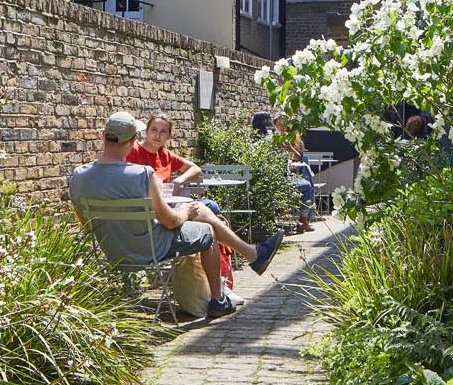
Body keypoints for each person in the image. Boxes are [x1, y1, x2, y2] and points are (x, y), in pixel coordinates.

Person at [72, 111, 284, 320]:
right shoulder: (142, 175)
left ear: (103, 135)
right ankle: (219, 299)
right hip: (152, 248)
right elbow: (171, 222)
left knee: (204, 211)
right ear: (133, 140)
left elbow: (87, 226)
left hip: (113, 251)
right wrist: (186, 212)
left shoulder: (79, 176)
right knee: (208, 229)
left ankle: (253, 255)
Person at [128, 111, 236, 294]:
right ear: (146, 131)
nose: (157, 135)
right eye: (153, 130)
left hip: (169, 208)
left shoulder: (166, 155)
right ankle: (220, 284)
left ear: (169, 136)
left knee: (211, 208)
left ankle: (219, 279)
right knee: (211, 216)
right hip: (152, 215)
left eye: (163, 132)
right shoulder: (135, 151)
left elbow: (195, 168)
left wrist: (179, 181)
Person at [253, 111, 315, 232]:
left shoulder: (293, 139)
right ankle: (304, 219)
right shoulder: (274, 139)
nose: (282, 127)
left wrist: (290, 150)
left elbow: (299, 159)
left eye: (285, 124)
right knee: (307, 184)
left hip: (273, 178)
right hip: (278, 178)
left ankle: (302, 218)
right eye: (279, 124)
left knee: (305, 180)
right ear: (273, 123)